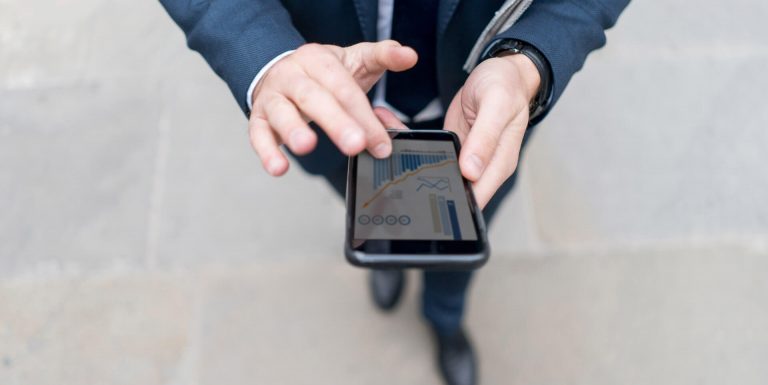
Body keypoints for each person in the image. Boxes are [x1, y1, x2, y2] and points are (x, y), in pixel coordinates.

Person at [160, 1, 629, 384]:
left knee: (461, 231)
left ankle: (445, 319)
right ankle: (388, 259)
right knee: (371, 212)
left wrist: (530, 61)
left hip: (486, 108)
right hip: (335, 109)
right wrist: (265, 55)